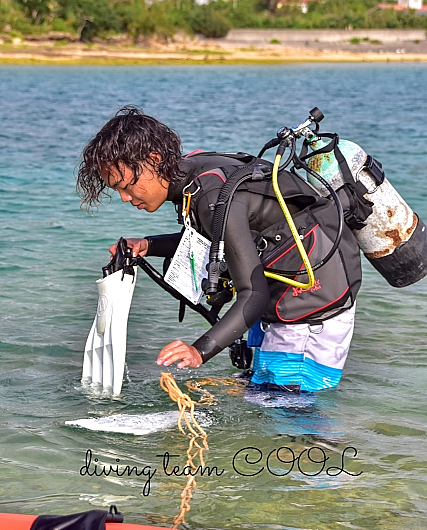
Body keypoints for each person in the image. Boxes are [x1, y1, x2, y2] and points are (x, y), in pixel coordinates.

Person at [77, 106, 362, 393]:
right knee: (264, 401)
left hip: (311, 312)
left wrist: (199, 351)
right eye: (117, 191)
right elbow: (217, 238)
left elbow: (254, 294)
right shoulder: (192, 171)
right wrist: (148, 245)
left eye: (127, 185)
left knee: (294, 415)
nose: (125, 198)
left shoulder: (213, 197)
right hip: (285, 303)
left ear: (154, 160)